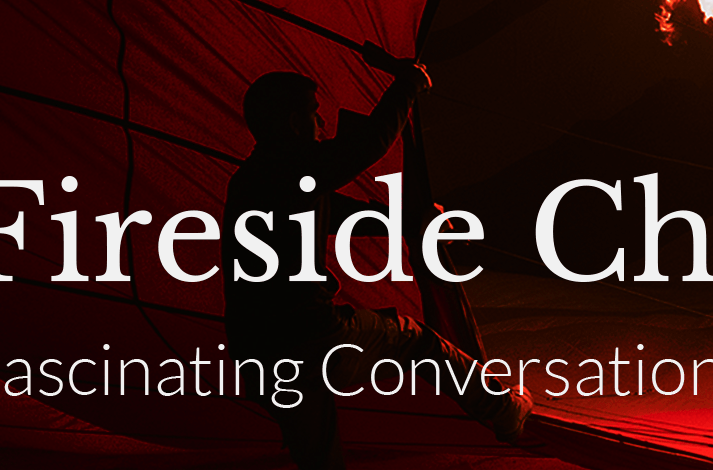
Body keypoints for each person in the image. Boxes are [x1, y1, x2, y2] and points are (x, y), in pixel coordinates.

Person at [221, 50, 530, 469]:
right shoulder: (295, 167)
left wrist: (411, 221)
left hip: (257, 355)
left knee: (319, 460)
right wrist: (409, 84)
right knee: (417, 340)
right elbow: (366, 146)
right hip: (312, 340)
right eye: (314, 114)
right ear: (294, 123)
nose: (322, 124)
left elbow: (344, 214)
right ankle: (502, 409)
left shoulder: (253, 180)